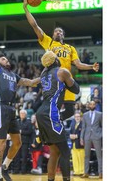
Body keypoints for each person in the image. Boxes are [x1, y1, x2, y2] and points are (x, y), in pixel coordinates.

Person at [23, 0, 99, 120]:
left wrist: (91, 66)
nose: (58, 32)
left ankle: (55, 121)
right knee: (52, 106)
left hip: (66, 79)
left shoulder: (70, 48)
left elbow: (79, 64)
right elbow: (34, 25)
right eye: (56, 31)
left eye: (60, 32)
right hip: (53, 79)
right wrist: (26, 8)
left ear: (63, 35)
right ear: (52, 35)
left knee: (69, 111)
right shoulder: (49, 42)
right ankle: (48, 124)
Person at [0, 16, 41, 181]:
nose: (6, 60)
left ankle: (5, 167)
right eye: (3, 58)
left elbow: (30, 81)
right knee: (1, 142)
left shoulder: (13, 75)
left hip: (10, 108)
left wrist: (47, 74)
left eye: (6, 59)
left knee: (17, 142)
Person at [35, 50, 80, 181]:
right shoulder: (62, 71)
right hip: (50, 112)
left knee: (55, 152)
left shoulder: (43, 74)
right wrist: (68, 81)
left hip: (41, 112)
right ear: (55, 60)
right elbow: (76, 89)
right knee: (65, 152)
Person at [80, 100, 103, 179]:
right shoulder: (85, 115)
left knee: (99, 155)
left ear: (95, 105)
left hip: (97, 136)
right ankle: (86, 173)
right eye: (91, 104)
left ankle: (101, 173)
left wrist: (101, 135)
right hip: (87, 137)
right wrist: (81, 138)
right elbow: (83, 127)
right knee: (86, 156)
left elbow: (102, 126)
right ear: (89, 105)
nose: (92, 105)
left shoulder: (100, 114)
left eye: (94, 104)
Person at [13, 109, 33, 174]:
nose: (22, 115)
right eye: (21, 113)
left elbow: (30, 131)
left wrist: (22, 132)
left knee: (24, 157)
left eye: (23, 114)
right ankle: (16, 170)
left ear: (26, 115)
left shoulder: (28, 122)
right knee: (16, 157)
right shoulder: (17, 121)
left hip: (25, 142)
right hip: (17, 142)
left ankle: (23, 171)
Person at [69, 112, 85, 176]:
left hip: (80, 144)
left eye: (78, 116)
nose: (77, 118)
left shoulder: (83, 124)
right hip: (73, 144)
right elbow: (70, 132)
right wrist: (70, 136)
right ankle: (76, 171)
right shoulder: (72, 124)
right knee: (74, 158)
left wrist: (77, 136)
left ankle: (81, 171)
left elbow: (84, 133)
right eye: (76, 117)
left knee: (81, 158)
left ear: (80, 117)